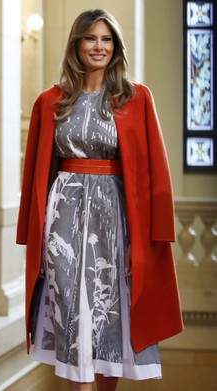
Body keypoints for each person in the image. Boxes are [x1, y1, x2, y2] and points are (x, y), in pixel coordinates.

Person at [16, 9, 183, 391]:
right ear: (76, 44)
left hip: (116, 217)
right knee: (72, 312)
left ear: (115, 47)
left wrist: (157, 236)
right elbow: (36, 171)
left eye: (106, 39)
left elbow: (157, 167)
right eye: (91, 38)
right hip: (63, 215)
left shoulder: (137, 97)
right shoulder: (50, 101)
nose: (99, 46)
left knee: (108, 316)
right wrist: (32, 232)